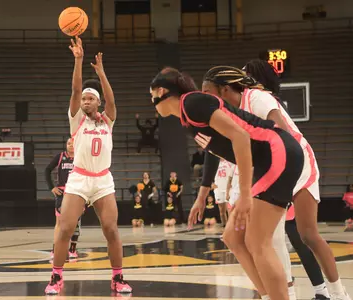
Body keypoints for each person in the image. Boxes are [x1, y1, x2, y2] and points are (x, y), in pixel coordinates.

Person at [150, 67, 305, 300]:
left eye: (150, 95)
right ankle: (267, 295)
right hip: (269, 157)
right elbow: (216, 152)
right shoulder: (188, 113)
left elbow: (241, 137)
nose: (151, 101)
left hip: (277, 150)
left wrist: (244, 195)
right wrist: (202, 196)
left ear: (161, 91)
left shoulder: (191, 102)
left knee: (257, 241)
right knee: (233, 238)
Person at [202, 63, 348, 299]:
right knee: (259, 238)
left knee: (307, 234)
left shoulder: (257, 98)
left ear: (224, 90)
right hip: (271, 168)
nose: (206, 100)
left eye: (208, 93)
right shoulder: (230, 114)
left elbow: (281, 132)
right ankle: (278, 293)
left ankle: (338, 293)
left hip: (296, 162)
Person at [45, 37, 132, 295]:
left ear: (97, 102)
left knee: (111, 229)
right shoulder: (77, 120)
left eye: (89, 98)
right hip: (80, 178)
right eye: (83, 98)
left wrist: (102, 74)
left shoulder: (108, 120)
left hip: (103, 179)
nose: (84, 100)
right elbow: (74, 91)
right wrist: (79, 60)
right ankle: (55, 277)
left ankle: (118, 278)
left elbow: (112, 100)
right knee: (65, 229)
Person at [45, 138, 81, 259]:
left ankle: (72, 249)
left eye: (73, 143)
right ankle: (55, 249)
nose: (70, 145)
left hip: (77, 193)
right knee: (59, 223)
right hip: (63, 192)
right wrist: (52, 187)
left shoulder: (81, 157)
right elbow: (47, 170)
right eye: (68, 143)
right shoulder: (60, 156)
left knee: (75, 223)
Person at [213, 160, 234, 227]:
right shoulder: (214, 163)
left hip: (227, 188)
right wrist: (211, 183)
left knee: (229, 209)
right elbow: (209, 174)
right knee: (222, 211)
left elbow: (233, 173)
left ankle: (231, 226)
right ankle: (224, 226)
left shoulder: (229, 161)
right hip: (218, 188)